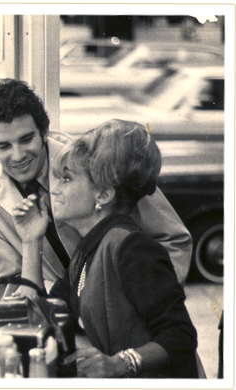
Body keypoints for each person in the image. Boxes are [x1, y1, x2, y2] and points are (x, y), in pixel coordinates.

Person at [0, 78, 192, 295]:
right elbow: (10, 283)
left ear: (44, 132)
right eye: (4, 146)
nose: (18, 156)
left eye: (26, 139)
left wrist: (138, 302)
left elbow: (173, 240)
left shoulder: (96, 158)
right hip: (58, 314)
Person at [12, 119, 199, 378]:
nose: (55, 190)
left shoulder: (130, 247)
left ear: (102, 195)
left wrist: (119, 363)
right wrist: (31, 240)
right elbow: (45, 314)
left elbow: (181, 336)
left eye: (66, 178)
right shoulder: (89, 248)